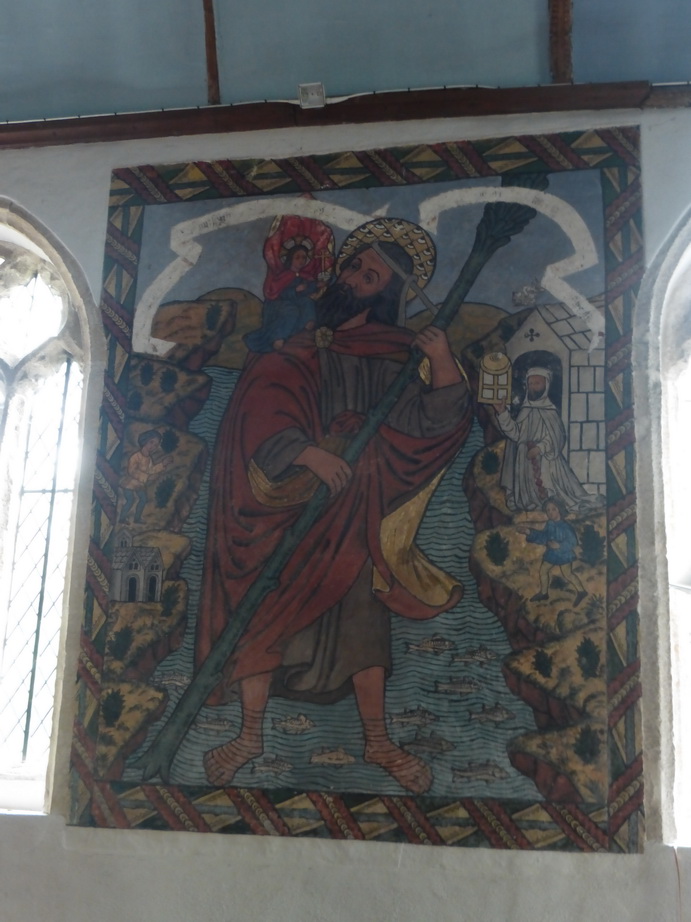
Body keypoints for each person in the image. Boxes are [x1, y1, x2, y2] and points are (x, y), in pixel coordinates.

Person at [195, 218, 473, 794]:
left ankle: (378, 741)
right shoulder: (297, 338)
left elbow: (430, 422)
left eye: (370, 276)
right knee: (262, 613)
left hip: (351, 508)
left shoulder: (394, 354)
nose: (353, 277)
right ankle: (249, 737)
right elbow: (259, 406)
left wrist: (442, 359)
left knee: (360, 622)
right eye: (354, 265)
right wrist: (304, 453)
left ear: (385, 294)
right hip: (285, 505)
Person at [493, 366, 604, 514]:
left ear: (546, 386)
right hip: (524, 462)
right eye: (530, 383)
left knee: (558, 495)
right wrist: (502, 413)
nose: (533, 387)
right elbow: (515, 434)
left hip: (547, 462)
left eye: (537, 383)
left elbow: (557, 437)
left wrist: (540, 448)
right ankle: (531, 502)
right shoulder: (525, 410)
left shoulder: (550, 411)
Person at [243, 244, 320, 353]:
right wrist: (295, 290)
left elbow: (306, 291)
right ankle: (278, 337)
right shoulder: (283, 275)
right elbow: (277, 293)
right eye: (297, 257)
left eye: (304, 257)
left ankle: (307, 326)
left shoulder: (303, 275)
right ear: (291, 258)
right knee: (291, 310)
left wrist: (315, 285)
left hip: (293, 301)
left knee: (307, 301)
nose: (301, 261)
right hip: (277, 304)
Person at [517, 497, 587, 606]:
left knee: (568, 574)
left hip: (563, 554)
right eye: (548, 510)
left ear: (559, 510)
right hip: (552, 554)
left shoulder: (566, 527)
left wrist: (559, 545)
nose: (550, 512)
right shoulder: (549, 524)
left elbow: (572, 542)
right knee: (543, 571)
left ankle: (582, 591)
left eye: (553, 509)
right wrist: (529, 532)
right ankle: (544, 593)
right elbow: (544, 537)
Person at [120, 429, 173, 524]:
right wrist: (147, 477)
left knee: (143, 500)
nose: (153, 446)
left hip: (140, 485)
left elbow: (151, 470)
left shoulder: (149, 459)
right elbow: (132, 471)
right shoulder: (136, 456)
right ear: (145, 440)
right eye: (151, 442)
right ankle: (122, 518)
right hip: (130, 484)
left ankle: (137, 518)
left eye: (156, 445)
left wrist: (162, 464)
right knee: (130, 500)